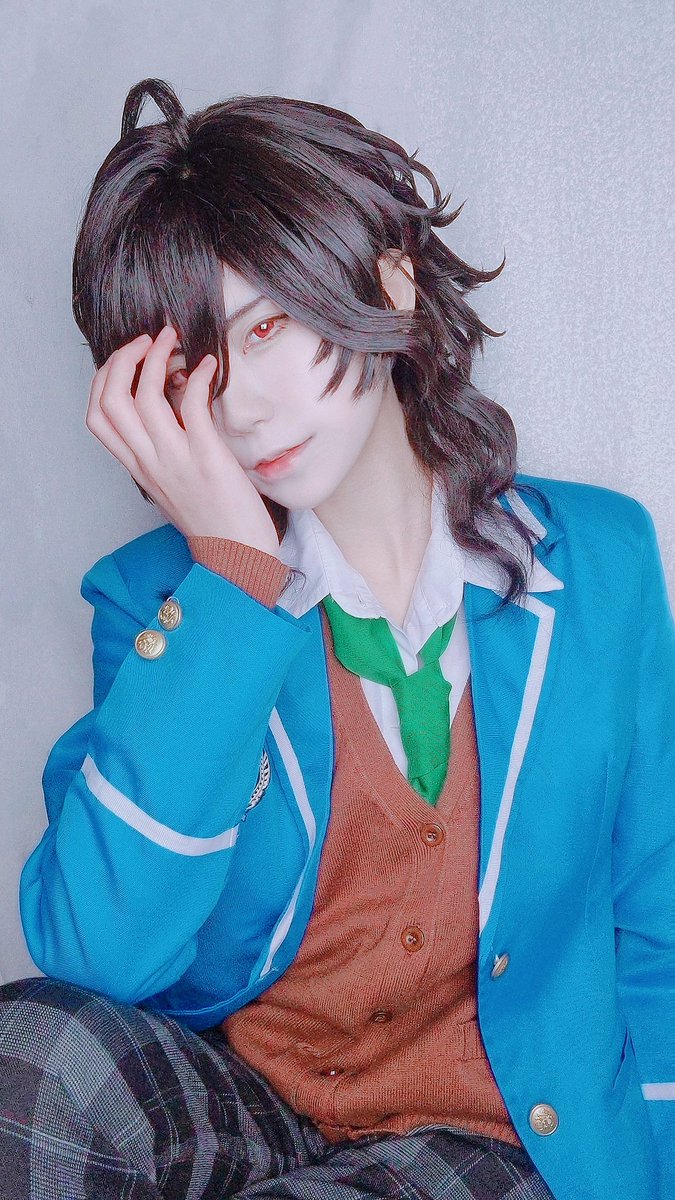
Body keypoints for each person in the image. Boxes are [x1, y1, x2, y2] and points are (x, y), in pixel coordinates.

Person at [0, 76, 672, 1200]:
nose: (242, 409)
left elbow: (659, 922)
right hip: (247, 1103)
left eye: (266, 328)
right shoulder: (158, 601)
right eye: (192, 375)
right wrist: (233, 574)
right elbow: (97, 954)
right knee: (29, 1060)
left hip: (490, 1132)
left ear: (388, 278)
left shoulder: (601, 562)